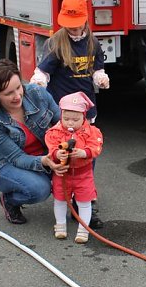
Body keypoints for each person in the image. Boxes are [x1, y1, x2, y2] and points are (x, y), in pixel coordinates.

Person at [30, 0, 110, 228]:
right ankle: (64, 197)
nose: (73, 29)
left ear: (86, 21)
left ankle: (85, 201)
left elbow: (97, 68)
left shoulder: (93, 42)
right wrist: (38, 82)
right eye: (69, 25)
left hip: (86, 108)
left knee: (86, 155)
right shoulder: (56, 43)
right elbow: (43, 72)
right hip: (62, 111)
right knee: (62, 153)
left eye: (77, 25)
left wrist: (101, 78)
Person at [0, 60, 68, 225]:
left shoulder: (38, 94)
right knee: (39, 189)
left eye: (18, 87)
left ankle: (81, 201)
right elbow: (17, 157)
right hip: (6, 163)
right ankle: (10, 200)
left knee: (84, 151)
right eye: (8, 93)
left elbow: (64, 124)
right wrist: (46, 162)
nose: (17, 96)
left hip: (42, 154)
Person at [44, 92, 104, 244]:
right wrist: (58, 154)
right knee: (60, 200)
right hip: (62, 174)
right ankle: (60, 225)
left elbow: (96, 147)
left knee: (84, 202)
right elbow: (51, 149)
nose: (70, 123)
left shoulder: (92, 131)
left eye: (75, 119)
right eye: (66, 118)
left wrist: (84, 152)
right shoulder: (54, 132)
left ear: (84, 116)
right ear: (61, 115)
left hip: (83, 175)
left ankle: (83, 229)